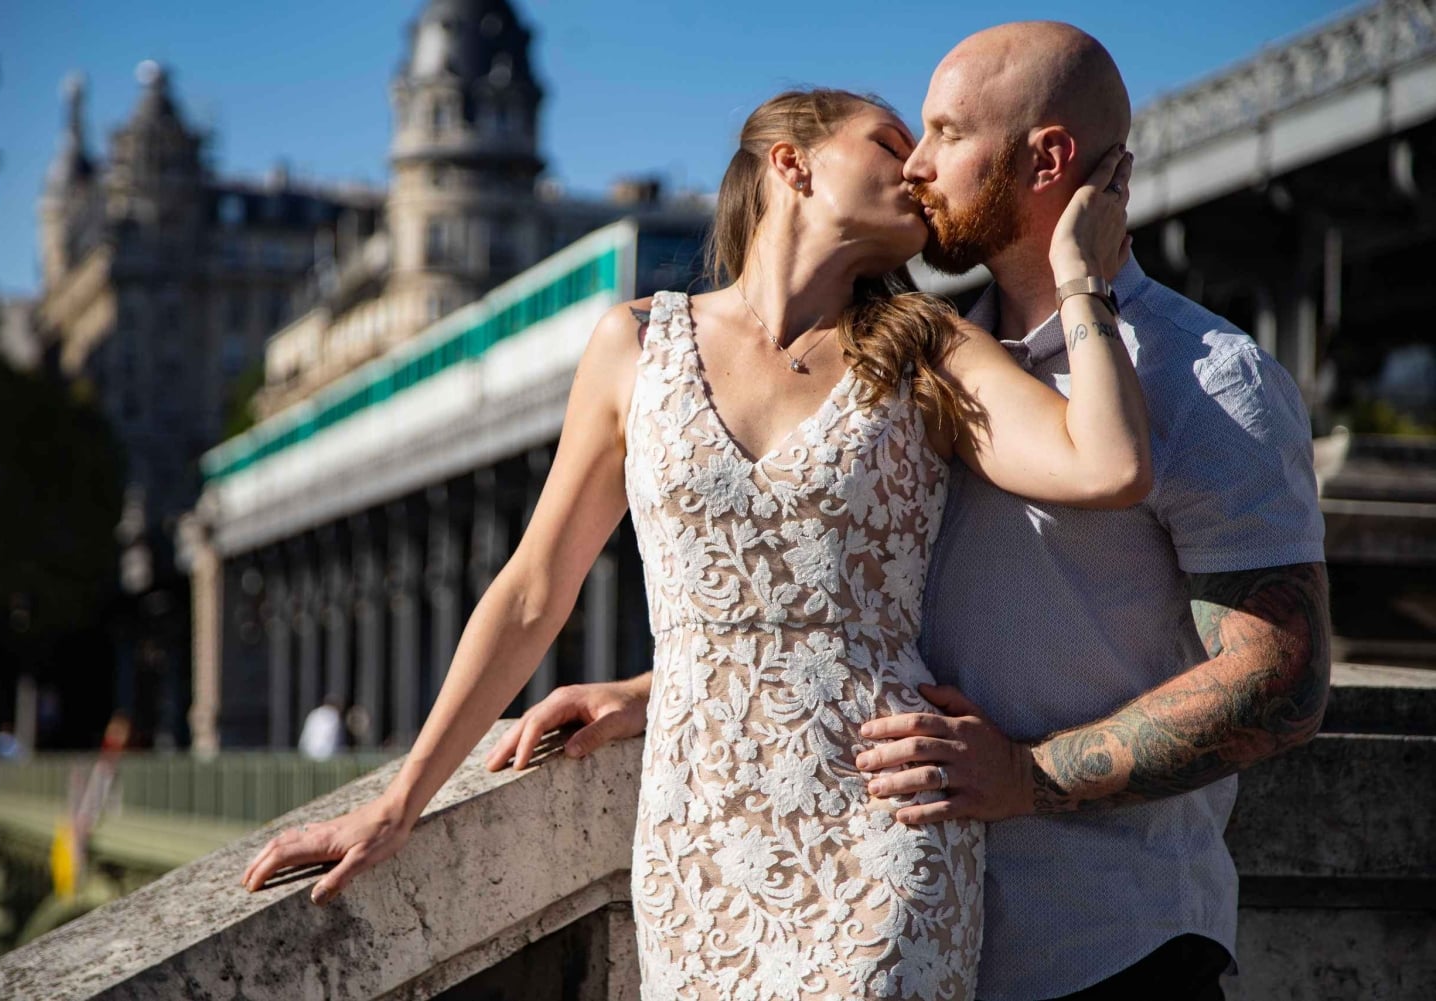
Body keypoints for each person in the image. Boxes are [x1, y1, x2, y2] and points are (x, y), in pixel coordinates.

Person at [242, 82, 1147, 999]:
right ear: (792, 162)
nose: (918, 167)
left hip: (887, 822)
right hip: (696, 831)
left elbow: (1107, 464)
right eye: (889, 142)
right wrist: (399, 803)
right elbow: (532, 588)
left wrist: (1081, 275)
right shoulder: (636, 343)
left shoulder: (930, 348)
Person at [490, 22, 1331, 1001]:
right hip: (907, 911)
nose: (919, 166)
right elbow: (874, 602)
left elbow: (1282, 680)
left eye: (942, 133)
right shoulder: (924, 358)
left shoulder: (1204, 380)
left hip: (1105, 946)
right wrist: (658, 687)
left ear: (1047, 156)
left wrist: (1030, 775)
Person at [298, 696, 345, 761]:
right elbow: (330, 736)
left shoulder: (315, 713)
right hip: (324, 755)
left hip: (308, 752)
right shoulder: (333, 715)